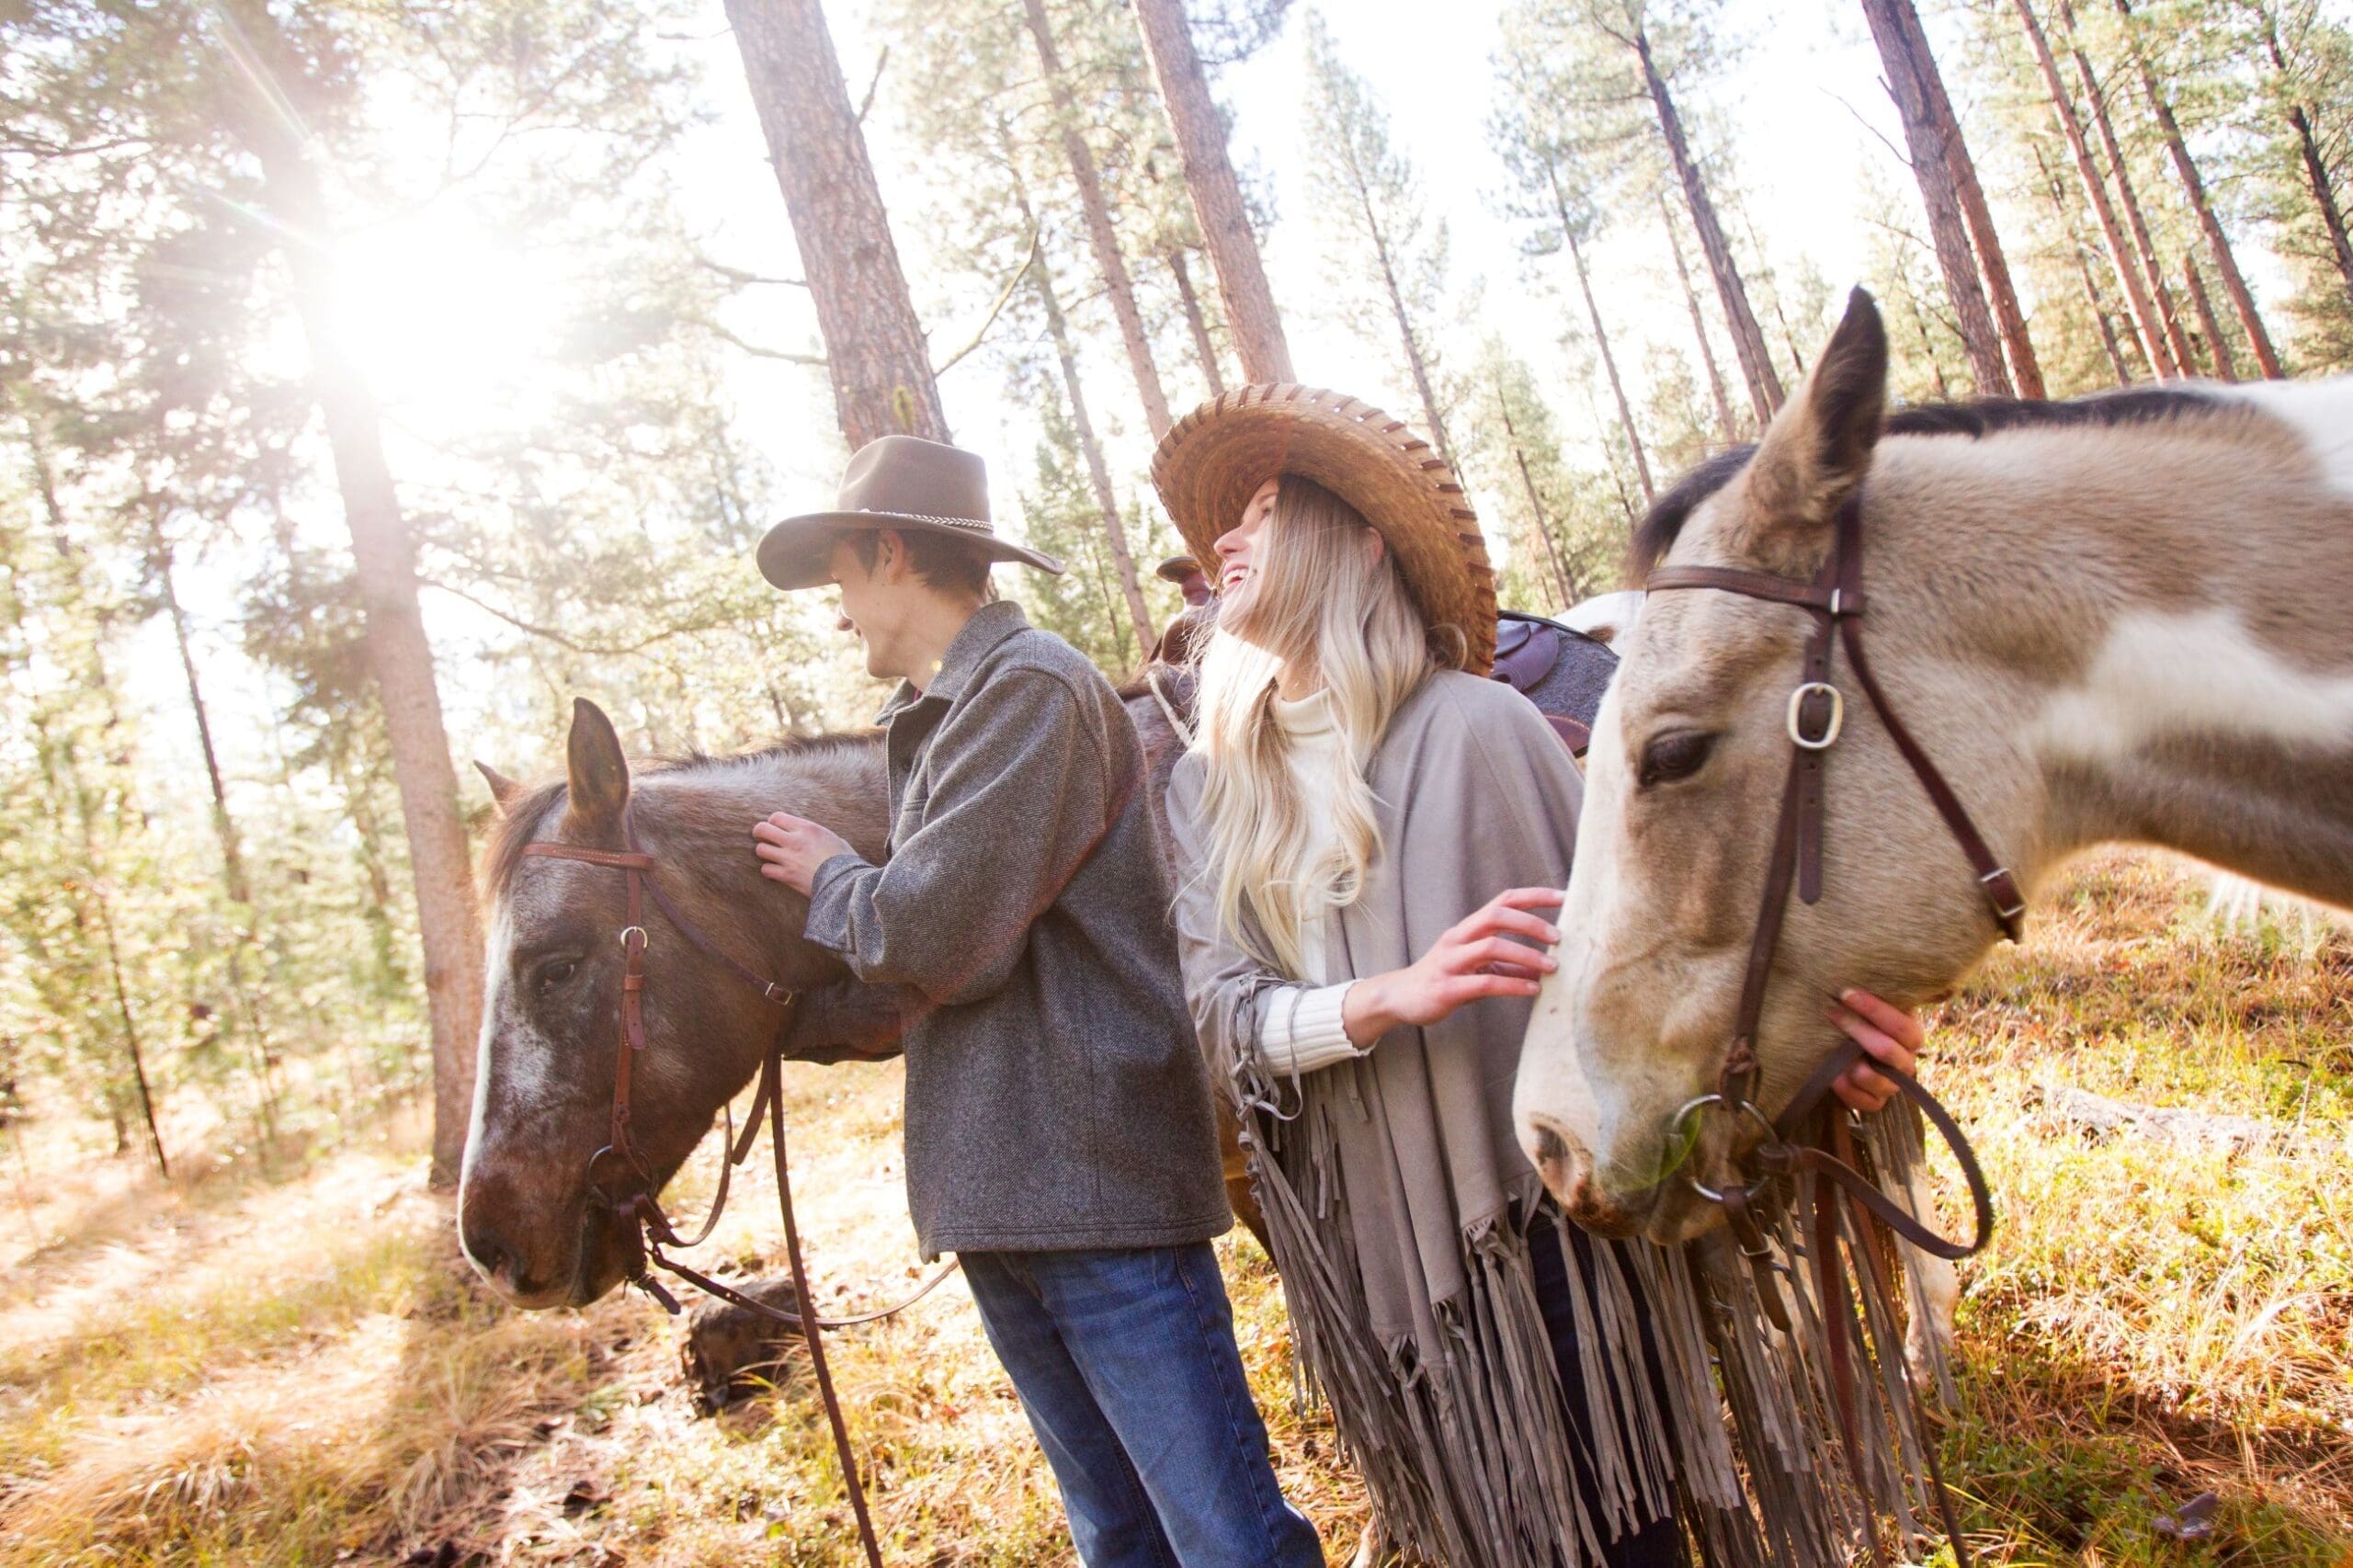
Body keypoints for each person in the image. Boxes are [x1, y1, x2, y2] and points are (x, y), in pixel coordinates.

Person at [1150, 389, 1925, 1568]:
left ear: (1358, 539)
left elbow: (1656, 963)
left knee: (1619, 1526)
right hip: (1375, 1249)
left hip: (1541, 1223)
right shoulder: (1211, 786)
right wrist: (1383, 997)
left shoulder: (1479, 728)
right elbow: (1219, 1019)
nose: (1223, 543)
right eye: (1231, 520)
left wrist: (1823, 1056)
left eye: (1264, 508)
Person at [746, 434, 1323, 1568]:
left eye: (842, 577)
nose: (836, 609)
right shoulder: (944, 713)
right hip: (1008, 1184)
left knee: (1225, 1538)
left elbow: (932, 933)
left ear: (891, 549)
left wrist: (830, 875)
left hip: (1094, 1180)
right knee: (1116, 1533)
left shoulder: (1028, 689)